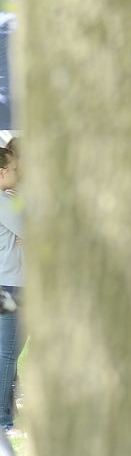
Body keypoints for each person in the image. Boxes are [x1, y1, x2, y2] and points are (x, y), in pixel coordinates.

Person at [0, 147, 22, 434]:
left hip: (6, 282)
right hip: (12, 284)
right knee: (7, 353)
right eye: (15, 169)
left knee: (6, 351)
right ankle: (3, 418)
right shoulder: (4, 202)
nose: (18, 174)